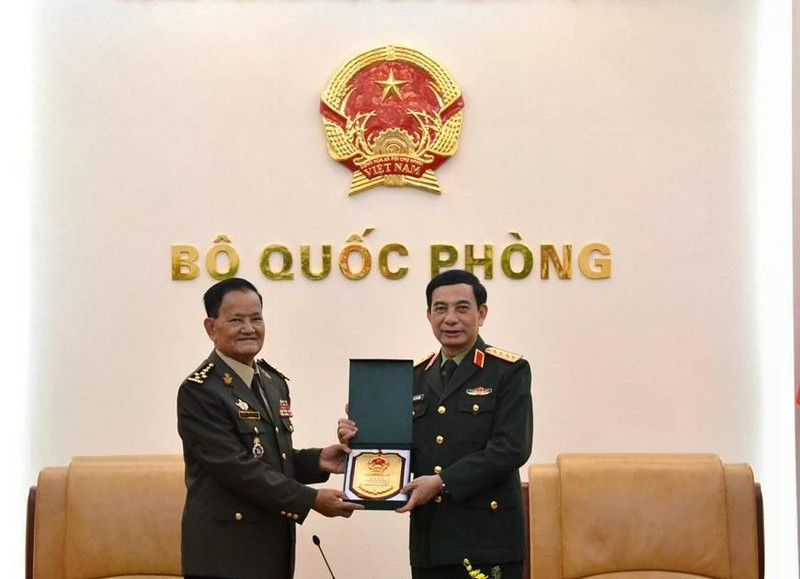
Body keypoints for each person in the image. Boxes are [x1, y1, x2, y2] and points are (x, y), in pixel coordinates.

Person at [338, 269, 533, 579]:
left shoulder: (508, 371)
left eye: (462, 307)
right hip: (431, 541)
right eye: (440, 309)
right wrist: (360, 437)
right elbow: (400, 447)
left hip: (489, 540)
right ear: (429, 315)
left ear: (481, 314)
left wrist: (442, 482)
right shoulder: (413, 376)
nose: (450, 318)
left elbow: (511, 448)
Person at [178, 277, 362, 579]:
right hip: (224, 552)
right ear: (211, 328)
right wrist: (310, 500)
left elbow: (270, 457)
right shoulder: (199, 391)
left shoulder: (272, 382)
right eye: (236, 320)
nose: (249, 328)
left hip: (273, 542)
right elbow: (237, 469)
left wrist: (318, 460)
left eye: (256, 318)